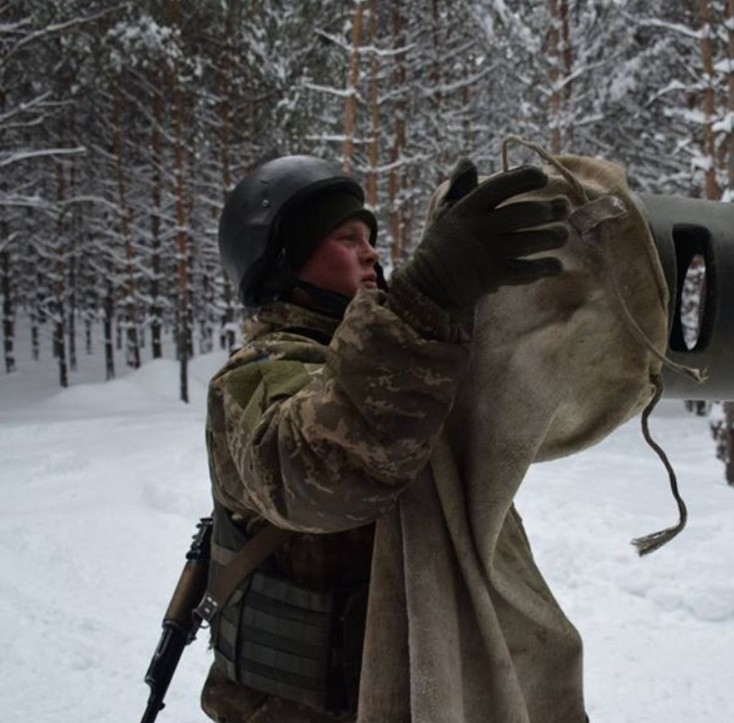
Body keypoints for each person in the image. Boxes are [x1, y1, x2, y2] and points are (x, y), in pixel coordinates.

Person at [202, 154, 569, 722]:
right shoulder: (255, 374)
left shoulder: (397, 355)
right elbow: (321, 471)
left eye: (370, 235)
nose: (371, 250)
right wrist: (424, 299)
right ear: (284, 261)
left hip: (425, 690)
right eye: (346, 237)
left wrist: (460, 304)